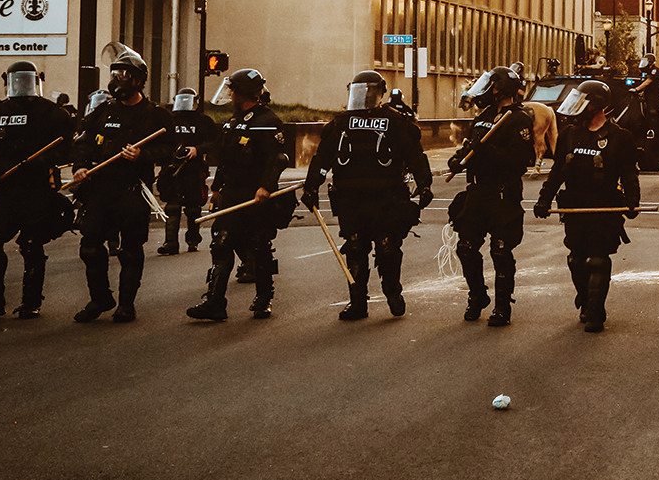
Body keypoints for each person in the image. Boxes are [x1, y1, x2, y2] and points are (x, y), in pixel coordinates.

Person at [303, 70, 431, 321]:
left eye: (370, 91)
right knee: (355, 248)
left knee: (387, 248)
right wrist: (311, 187)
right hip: (351, 198)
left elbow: (414, 155)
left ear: (380, 93)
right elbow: (323, 158)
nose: (365, 96)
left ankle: (392, 291)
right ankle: (358, 302)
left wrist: (424, 184)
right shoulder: (341, 123)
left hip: (386, 197)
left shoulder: (394, 121)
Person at [0, 60, 76, 321]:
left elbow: (65, 149)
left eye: (27, 80)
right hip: (6, 189)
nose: (22, 85)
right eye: (17, 80)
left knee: (31, 244)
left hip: (37, 188)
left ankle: (31, 302)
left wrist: (41, 161)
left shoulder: (52, 113)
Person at [67, 48, 172, 323]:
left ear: (139, 80)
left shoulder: (155, 115)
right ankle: (100, 298)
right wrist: (80, 166)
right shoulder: (103, 110)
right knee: (90, 246)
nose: (118, 80)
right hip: (101, 189)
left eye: (125, 75)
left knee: (131, 250)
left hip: (132, 190)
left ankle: (126, 305)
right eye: (115, 74)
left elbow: (170, 150)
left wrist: (143, 155)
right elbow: (83, 141)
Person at [533, 79, 641, 333]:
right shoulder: (570, 134)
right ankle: (585, 298)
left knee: (597, 260)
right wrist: (544, 198)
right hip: (575, 207)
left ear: (597, 105)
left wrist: (632, 200)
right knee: (576, 260)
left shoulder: (620, 137)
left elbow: (629, 173)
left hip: (604, 208)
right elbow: (558, 170)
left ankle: (595, 310)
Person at [188, 68, 294, 321]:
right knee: (221, 242)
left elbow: (278, 158)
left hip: (256, 194)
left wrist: (266, 187)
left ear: (244, 92)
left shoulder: (267, 122)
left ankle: (263, 299)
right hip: (233, 192)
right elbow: (225, 160)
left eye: (233, 90)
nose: (231, 95)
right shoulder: (233, 122)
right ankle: (215, 302)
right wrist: (217, 188)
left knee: (258, 245)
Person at [445, 67, 537, 326]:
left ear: (501, 89)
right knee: (465, 247)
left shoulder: (518, 119)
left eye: (492, 86)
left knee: (500, 251)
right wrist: (458, 160)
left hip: (502, 193)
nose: (487, 90)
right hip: (477, 191)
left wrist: (489, 152)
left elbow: (522, 160)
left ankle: (502, 307)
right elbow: (469, 146)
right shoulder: (484, 116)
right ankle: (477, 296)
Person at [157, 89, 217, 255]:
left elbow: (214, 141)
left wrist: (198, 149)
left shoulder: (203, 121)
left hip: (194, 169)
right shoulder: (170, 119)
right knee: (172, 206)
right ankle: (170, 242)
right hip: (172, 168)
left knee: (193, 207)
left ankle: (193, 240)